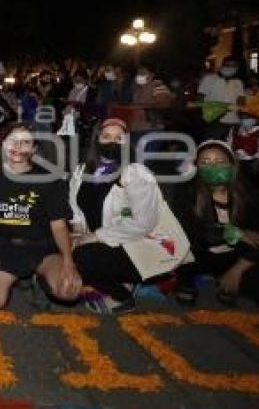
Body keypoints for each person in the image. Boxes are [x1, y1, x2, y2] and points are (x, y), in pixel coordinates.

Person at [0, 123, 81, 310]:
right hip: (6, 246)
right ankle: (13, 276)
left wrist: (68, 261)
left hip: (43, 247)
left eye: (25, 142)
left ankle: (39, 280)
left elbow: (59, 225)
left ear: (34, 149)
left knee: (69, 291)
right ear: (4, 144)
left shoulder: (48, 180)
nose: (18, 146)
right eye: (13, 140)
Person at [69, 118, 188, 314]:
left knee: (82, 257)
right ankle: (116, 278)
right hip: (101, 243)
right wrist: (76, 232)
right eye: (106, 136)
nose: (113, 142)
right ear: (96, 139)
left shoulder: (135, 172)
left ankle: (122, 297)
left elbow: (143, 223)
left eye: (119, 138)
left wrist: (94, 236)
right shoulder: (83, 170)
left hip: (136, 245)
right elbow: (75, 206)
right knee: (61, 245)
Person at [173, 141, 259, 315]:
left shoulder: (247, 195)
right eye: (205, 162)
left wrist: (238, 270)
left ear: (232, 165)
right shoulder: (187, 192)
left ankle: (228, 280)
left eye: (220, 161)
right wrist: (234, 232)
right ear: (196, 168)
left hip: (233, 256)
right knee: (185, 243)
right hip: (199, 254)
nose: (213, 167)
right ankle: (186, 280)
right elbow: (187, 231)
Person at [197, 57, 244, 140]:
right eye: (228, 65)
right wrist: (204, 117)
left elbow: (241, 100)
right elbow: (200, 98)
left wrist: (241, 112)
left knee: (230, 149)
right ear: (222, 65)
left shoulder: (238, 82)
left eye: (234, 66)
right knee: (213, 148)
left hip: (233, 121)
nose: (231, 68)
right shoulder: (209, 79)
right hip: (215, 121)